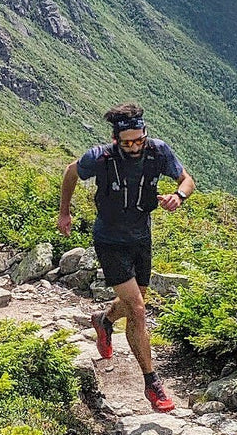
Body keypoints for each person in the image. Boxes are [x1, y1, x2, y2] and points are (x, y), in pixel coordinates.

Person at [57, 103, 195, 412]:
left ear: (146, 134)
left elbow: (187, 180)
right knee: (137, 308)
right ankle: (152, 383)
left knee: (137, 301)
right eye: (127, 141)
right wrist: (64, 212)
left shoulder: (158, 152)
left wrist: (178, 196)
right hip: (110, 240)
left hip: (141, 237)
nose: (133, 147)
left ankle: (104, 321)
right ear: (116, 138)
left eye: (139, 140)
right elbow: (70, 172)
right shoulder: (100, 157)